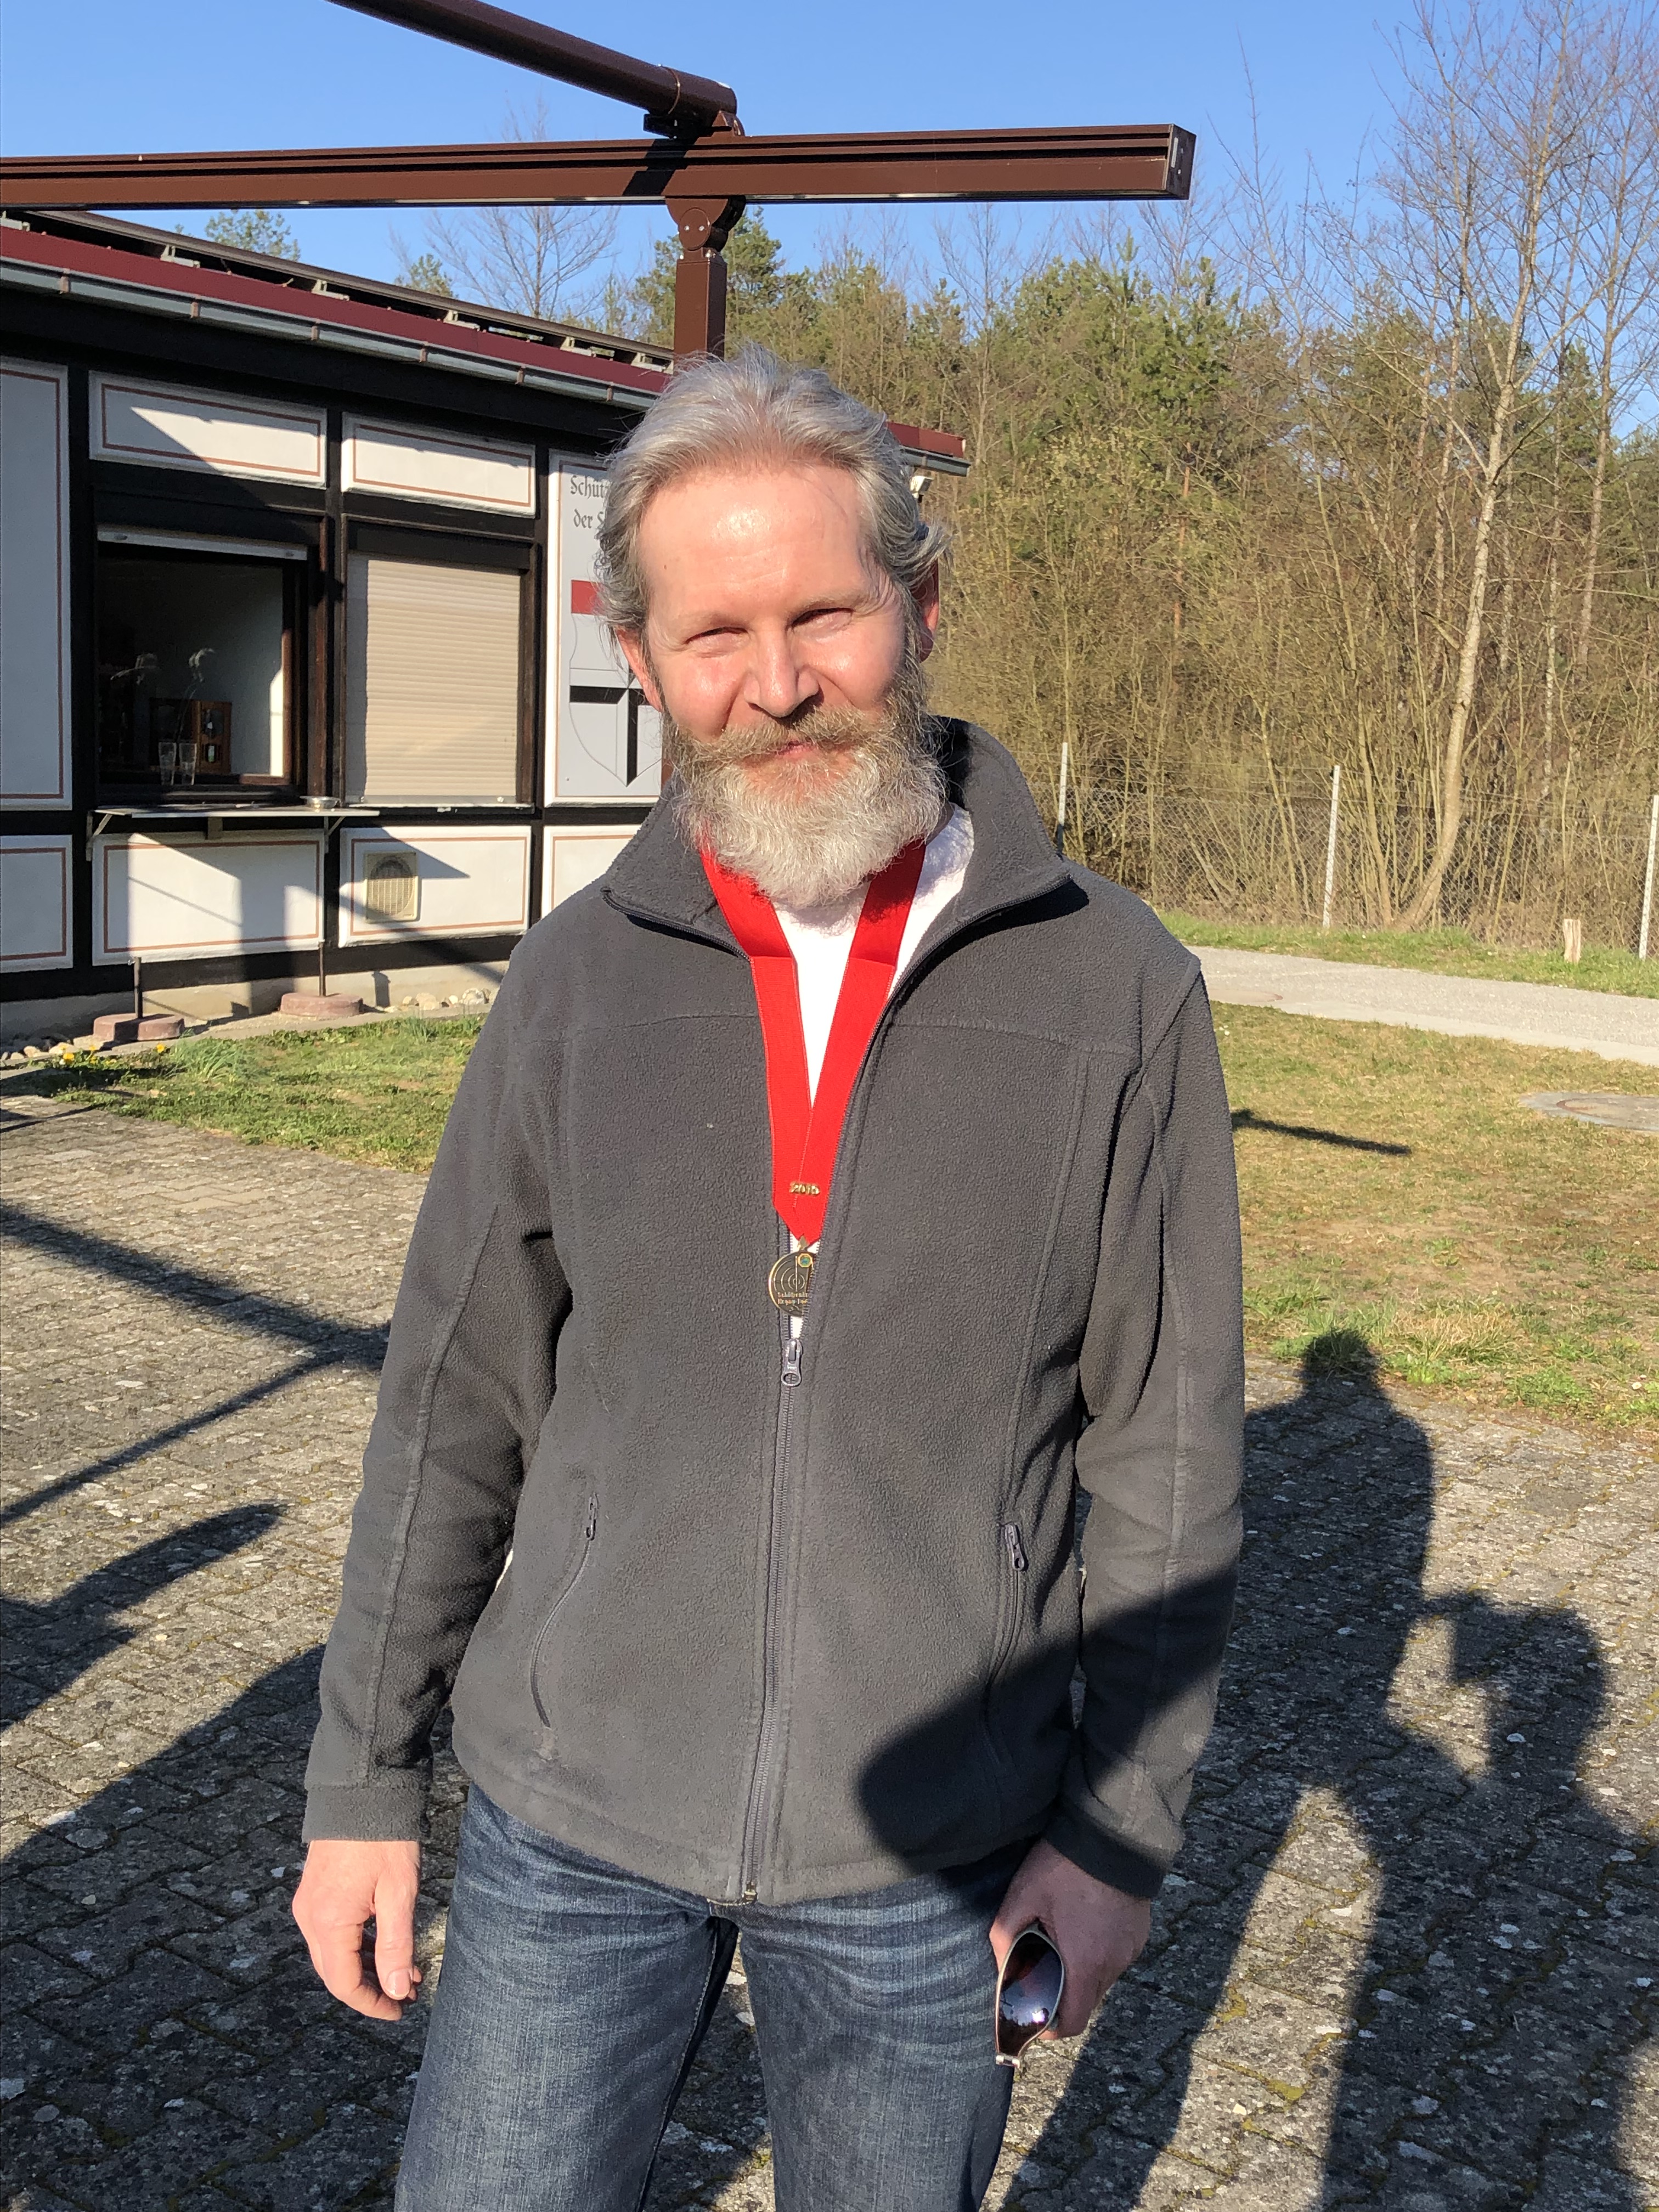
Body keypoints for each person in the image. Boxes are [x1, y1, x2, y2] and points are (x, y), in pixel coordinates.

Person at [292, 347, 1244, 2212]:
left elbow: (1167, 1451)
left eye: (826, 613)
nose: (778, 683)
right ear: (640, 660)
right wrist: (361, 1786)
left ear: (923, 605)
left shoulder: (1119, 991)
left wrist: (1117, 1837)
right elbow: (452, 1403)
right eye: (714, 633)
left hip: (933, 1850)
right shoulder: (575, 984)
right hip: (573, 1818)